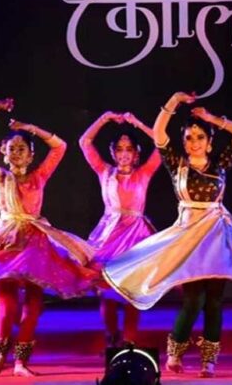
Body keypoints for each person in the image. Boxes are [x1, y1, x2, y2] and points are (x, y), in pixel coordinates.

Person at [103, 92, 232, 378]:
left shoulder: (219, 164)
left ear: (210, 141)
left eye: (200, 137)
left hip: (216, 235)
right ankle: (176, 351)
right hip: (188, 237)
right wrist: (174, 101)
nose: (194, 142)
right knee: (193, 300)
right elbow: (159, 132)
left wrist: (211, 118)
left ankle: (209, 361)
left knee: (214, 300)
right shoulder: (177, 163)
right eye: (189, 138)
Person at [0, 98, 98, 376]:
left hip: (35, 244)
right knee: (6, 306)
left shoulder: (39, 176)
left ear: (30, 155)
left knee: (33, 307)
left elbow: (60, 146)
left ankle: (20, 362)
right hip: (6, 241)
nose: (16, 153)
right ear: (4, 153)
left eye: (22, 149)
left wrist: (31, 129)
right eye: (11, 149)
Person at [79, 111, 161, 348]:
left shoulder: (144, 173)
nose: (124, 154)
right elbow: (85, 142)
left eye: (129, 149)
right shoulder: (105, 172)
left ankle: (129, 341)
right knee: (107, 293)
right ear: (113, 153)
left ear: (136, 154)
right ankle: (112, 336)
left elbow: (162, 143)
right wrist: (104, 118)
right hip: (109, 236)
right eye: (119, 149)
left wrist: (138, 123)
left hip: (136, 237)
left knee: (132, 293)